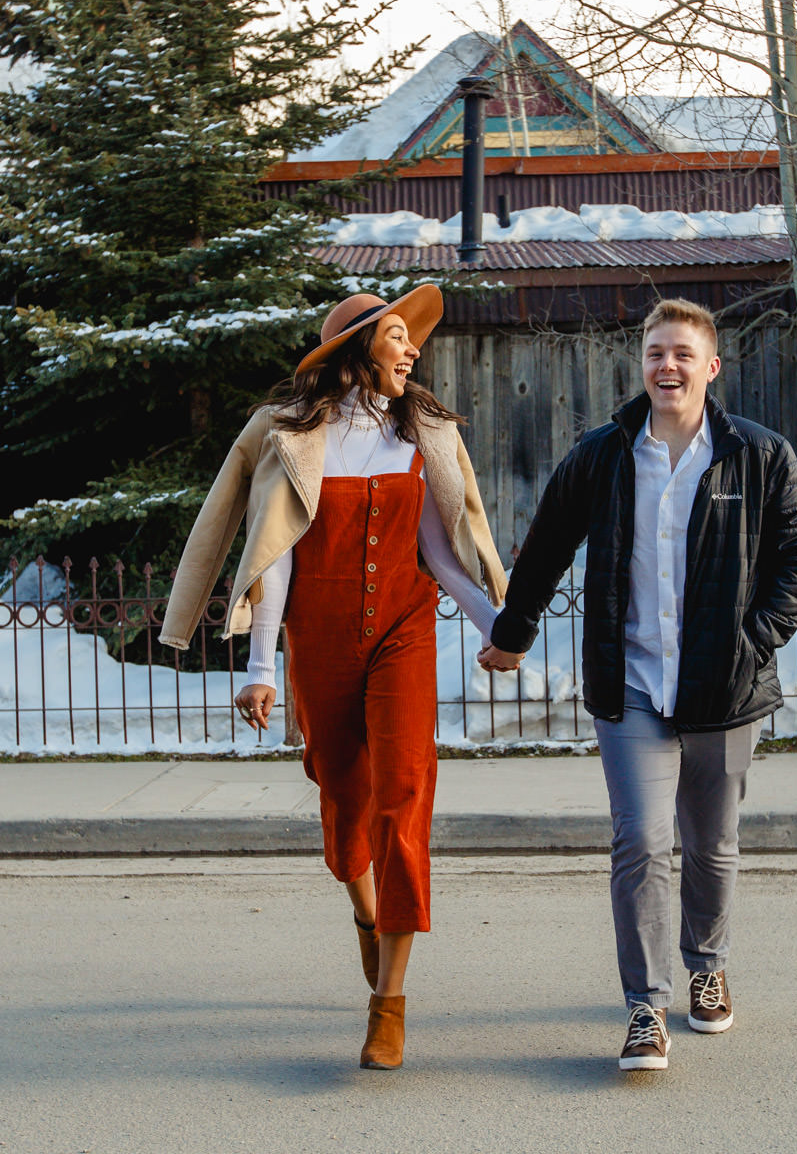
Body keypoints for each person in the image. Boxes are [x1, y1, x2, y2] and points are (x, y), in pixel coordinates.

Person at [161, 285, 509, 1070]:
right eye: (395, 336)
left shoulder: (422, 432)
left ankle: (388, 1002)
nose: (411, 350)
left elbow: (446, 556)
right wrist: (258, 667)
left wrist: (498, 625)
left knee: (405, 794)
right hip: (316, 638)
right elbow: (270, 552)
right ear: (354, 350)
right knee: (343, 798)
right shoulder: (291, 437)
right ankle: (365, 912)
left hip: (402, 632)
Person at [478, 297, 797, 1071]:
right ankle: (646, 1007)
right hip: (629, 683)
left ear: (711, 368)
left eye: (681, 354)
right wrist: (512, 632)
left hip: (725, 690)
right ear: (643, 365)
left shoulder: (758, 455)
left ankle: (707, 967)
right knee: (641, 840)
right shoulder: (604, 454)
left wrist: (753, 640)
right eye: (655, 353)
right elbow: (547, 545)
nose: (667, 366)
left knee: (711, 844)